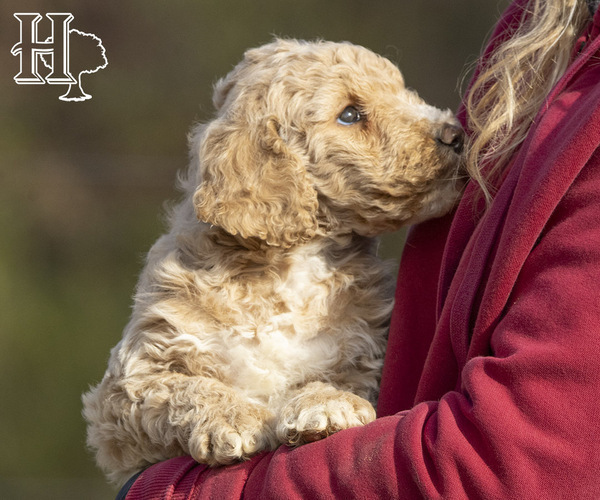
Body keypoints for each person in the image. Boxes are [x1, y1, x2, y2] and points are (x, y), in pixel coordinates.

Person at [120, 0, 600, 497]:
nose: (440, 125)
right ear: (268, 162)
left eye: (402, 95)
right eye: (353, 116)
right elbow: (130, 397)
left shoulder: (361, 296)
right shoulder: (186, 288)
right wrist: (196, 408)